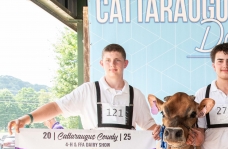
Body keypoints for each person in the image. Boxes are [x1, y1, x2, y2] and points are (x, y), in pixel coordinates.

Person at [8, 44, 160, 139]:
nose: (112, 64)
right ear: (101, 63)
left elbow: (151, 128)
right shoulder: (87, 91)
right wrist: (26, 119)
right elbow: (56, 107)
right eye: (108, 60)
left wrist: (167, 132)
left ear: (125, 63)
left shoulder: (136, 95)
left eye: (117, 60)